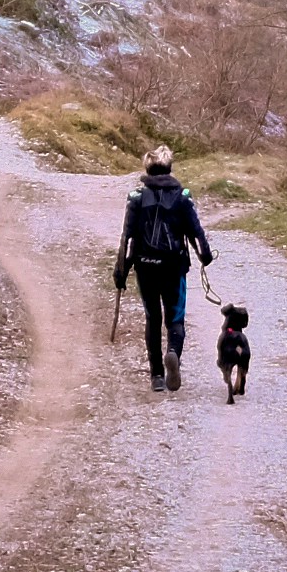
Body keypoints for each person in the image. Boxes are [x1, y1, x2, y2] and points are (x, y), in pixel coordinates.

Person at [111, 146, 217, 391]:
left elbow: (127, 237)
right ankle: (173, 353)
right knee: (175, 319)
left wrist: (121, 270)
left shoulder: (137, 198)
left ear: (147, 169)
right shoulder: (182, 197)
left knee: (152, 318)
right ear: (169, 168)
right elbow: (196, 232)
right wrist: (205, 256)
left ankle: (157, 376)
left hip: (145, 266)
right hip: (174, 266)